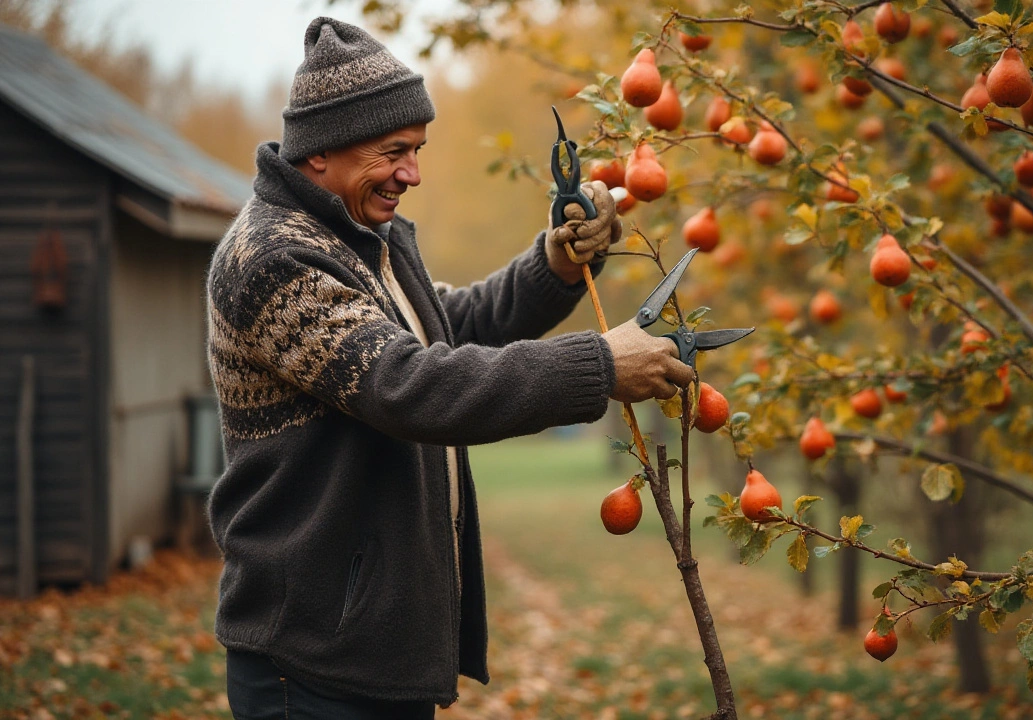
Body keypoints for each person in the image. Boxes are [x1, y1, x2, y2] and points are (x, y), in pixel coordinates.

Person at [204, 16, 694, 719]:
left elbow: (449, 326)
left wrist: (552, 264)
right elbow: (409, 385)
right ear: (322, 150)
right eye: (394, 151)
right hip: (311, 663)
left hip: (368, 651)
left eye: (417, 149)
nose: (413, 173)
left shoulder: (358, 235)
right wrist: (598, 366)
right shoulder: (275, 259)